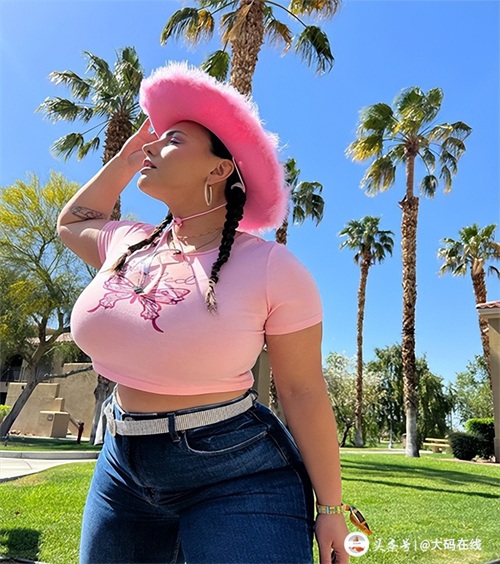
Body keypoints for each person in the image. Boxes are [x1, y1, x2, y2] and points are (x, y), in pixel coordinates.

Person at [58, 61, 358, 564]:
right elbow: (73, 222)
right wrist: (130, 158)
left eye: (172, 140)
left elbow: (302, 390)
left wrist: (330, 507)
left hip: (237, 469)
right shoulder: (127, 240)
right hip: (122, 462)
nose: (152, 146)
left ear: (220, 170)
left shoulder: (273, 267)